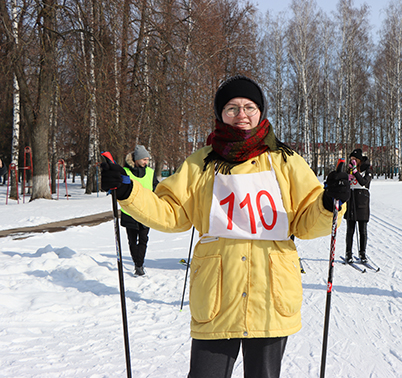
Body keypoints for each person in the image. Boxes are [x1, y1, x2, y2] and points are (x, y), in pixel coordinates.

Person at [101, 75, 350, 378]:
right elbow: (171, 213)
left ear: (261, 112)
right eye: (232, 108)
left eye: (249, 107)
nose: (241, 115)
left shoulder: (287, 162)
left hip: (271, 293)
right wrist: (129, 192)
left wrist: (329, 203)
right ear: (220, 114)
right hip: (216, 294)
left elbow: (308, 223)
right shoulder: (200, 163)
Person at [120, 145, 159, 276]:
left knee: (143, 239)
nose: (146, 162)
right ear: (136, 159)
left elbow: (156, 188)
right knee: (132, 240)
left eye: (147, 159)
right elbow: (121, 189)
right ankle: (138, 264)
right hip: (130, 212)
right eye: (143, 159)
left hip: (146, 211)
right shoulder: (125, 171)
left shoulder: (150, 173)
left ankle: (139, 264)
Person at [344, 148, 372, 264]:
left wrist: (355, 172)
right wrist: (347, 178)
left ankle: (362, 253)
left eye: (355, 159)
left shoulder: (367, 170)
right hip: (351, 200)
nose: (352, 161)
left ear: (360, 160)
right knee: (350, 230)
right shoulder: (349, 170)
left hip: (362, 201)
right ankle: (348, 253)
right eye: (351, 159)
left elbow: (364, 182)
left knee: (362, 230)